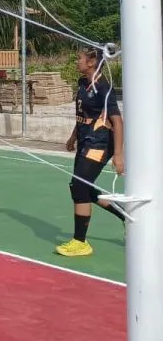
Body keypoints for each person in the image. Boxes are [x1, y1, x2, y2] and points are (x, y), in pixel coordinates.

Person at [56, 46, 125, 257]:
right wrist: (73, 137)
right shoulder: (82, 83)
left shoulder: (103, 87)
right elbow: (82, 114)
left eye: (79, 58)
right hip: (85, 140)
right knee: (82, 187)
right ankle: (125, 215)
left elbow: (117, 121)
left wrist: (119, 155)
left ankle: (80, 242)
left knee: (79, 186)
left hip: (100, 142)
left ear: (92, 62)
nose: (76, 61)